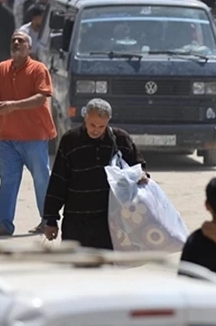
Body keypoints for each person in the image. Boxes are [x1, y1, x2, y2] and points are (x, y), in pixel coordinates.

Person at [43, 98, 147, 249]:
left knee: (104, 269)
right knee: (74, 268)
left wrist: (142, 175)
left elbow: (138, 166)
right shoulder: (70, 140)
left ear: (108, 121)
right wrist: (51, 219)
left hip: (109, 222)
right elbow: (58, 181)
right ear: (85, 117)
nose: (96, 130)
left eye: (101, 126)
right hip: (76, 222)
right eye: (92, 124)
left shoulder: (120, 140)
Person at [0, 31, 55, 237]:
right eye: (13, 40)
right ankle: (5, 224)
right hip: (8, 138)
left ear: (29, 48)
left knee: (42, 180)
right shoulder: (2, 68)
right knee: (8, 180)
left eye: (21, 40)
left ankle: (47, 220)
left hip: (34, 136)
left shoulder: (38, 69)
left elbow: (42, 98)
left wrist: (14, 106)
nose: (16, 43)